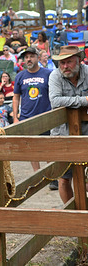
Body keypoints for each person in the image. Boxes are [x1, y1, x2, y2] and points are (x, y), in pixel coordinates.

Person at [49, 45, 88, 200]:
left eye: (69, 62)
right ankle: (72, 215)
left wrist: (73, 103)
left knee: (84, 176)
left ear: (79, 60)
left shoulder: (87, 72)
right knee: (64, 178)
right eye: (62, 63)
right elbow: (55, 101)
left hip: (86, 133)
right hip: (62, 134)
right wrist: (84, 100)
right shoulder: (55, 76)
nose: (65, 66)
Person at [13, 47, 52, 172]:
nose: (29, 59)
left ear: (38, 58)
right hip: (26, 117)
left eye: (32, 56)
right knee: (31, 148)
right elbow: (15, 97)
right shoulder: (20, 76)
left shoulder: (48, 74)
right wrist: (15, 117)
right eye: (26, 57)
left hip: (45, 116)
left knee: (48, 147)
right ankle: (37, 175)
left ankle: (51, 175)